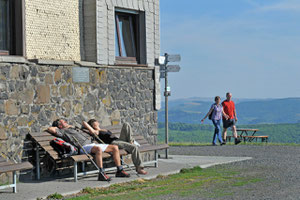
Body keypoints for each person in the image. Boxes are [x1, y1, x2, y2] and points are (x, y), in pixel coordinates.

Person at [48, 119, 130, 181]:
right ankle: (101, 173)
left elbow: (85, 124)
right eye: (63, 122)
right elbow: (50, 129)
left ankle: (120, 170)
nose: (66, 122)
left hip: (92, 144)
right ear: (60, 126)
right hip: (83, 147)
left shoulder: (73, 128)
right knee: (98, 149)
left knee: (115, 147)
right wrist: (58, 126)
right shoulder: (62, 131)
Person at [82, 120, 147, 175]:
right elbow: (84, 123)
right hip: (113, 143)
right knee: (134, 147)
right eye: (94, 122)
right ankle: (139, 168)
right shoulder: (96, 132)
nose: (96, 122)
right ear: (92, 126)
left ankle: (130, 141)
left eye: (96, 121)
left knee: (126, 124)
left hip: (118, 140)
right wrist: (89, 126)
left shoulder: (103, 129)